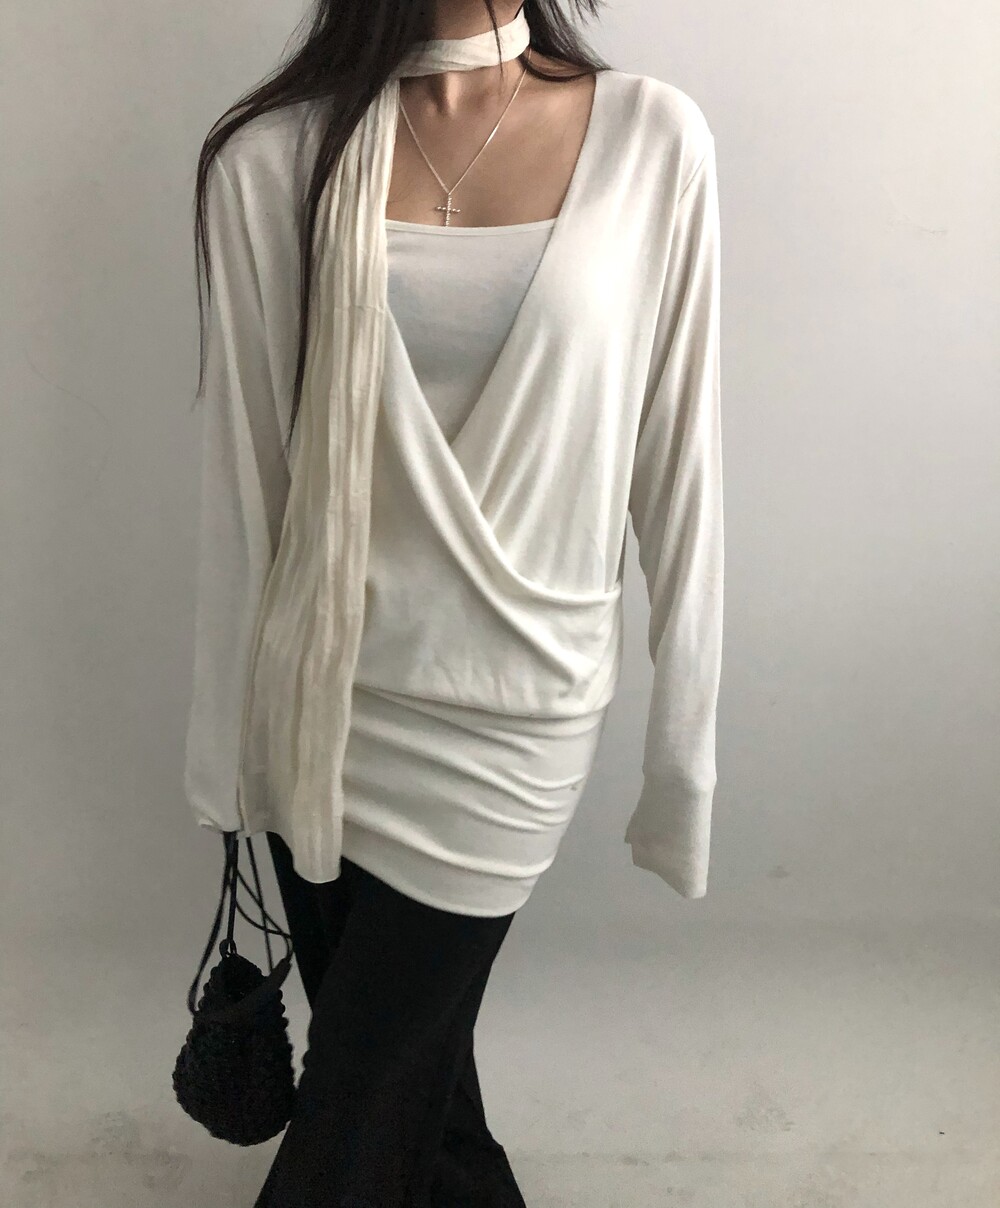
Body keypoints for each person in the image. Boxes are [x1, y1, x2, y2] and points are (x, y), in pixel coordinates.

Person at [182, 1, 724, 1203]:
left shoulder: (650, 140)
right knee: (412, 1104)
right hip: (322, 711)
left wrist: (682, 752)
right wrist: (230, 763)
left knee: (355, 1114)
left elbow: (678, 455)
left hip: (516, 703)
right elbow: (244, 483)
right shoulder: (269, 158)